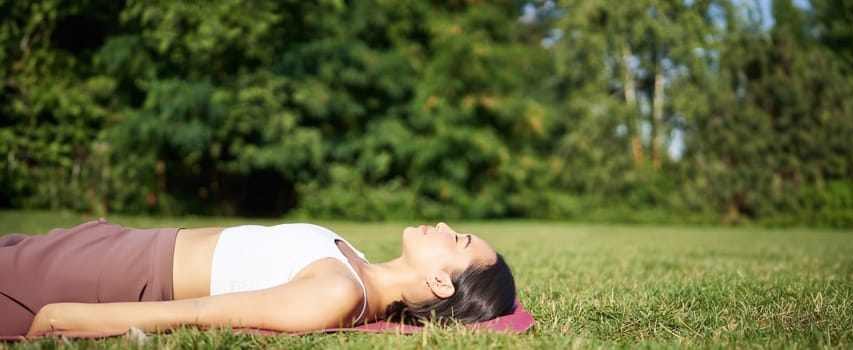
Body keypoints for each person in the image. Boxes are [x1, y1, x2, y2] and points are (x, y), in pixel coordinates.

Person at [0, 219, 516, 337]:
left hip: (110, 275)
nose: (448, 227)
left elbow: (198, 315)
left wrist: (59, 318)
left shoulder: (337, 292)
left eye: (459, 241)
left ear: (441, 285)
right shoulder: (353, 260)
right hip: (120, 246)